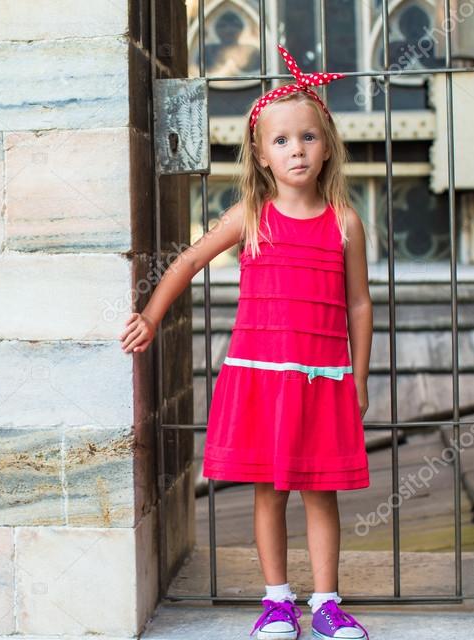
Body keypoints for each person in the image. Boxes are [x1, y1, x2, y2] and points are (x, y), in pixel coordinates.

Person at [120, 45, 372, 640]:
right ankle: (277, 601)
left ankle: (327, 603)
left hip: (322, 378)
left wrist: (359, 378)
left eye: (308, 137)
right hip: (260, 376)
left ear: (328, 143)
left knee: (320, 492)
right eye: (281, 141)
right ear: (261, 156)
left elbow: (360, 304)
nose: (297, 150)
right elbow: (185, 262)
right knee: (269, 489)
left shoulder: (344, 222)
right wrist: (152, 317)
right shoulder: (250, 216)